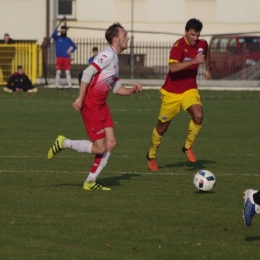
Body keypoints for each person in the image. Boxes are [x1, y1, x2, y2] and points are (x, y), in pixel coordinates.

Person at [47, 22, 143, 191]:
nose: (128, 37)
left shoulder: (115, 59)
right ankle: (64, 142)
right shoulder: (107, 55)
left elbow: (116, 89)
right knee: (100, 147)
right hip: (91, 105)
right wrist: (80, 98)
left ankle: (90, 181)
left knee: (111, 143)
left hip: (101, 105)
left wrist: (132, 90)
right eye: (124, 35)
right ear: (115, 39)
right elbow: (87, 72)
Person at [146, 18, 211, 171]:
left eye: (197, 35)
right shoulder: (178, 46)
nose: (195, 38)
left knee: (198, 115)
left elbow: (207, 52)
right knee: (162, 127)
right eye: (192, 34)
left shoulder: (202, 43)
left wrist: (208, 68)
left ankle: (187, 147)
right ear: (186, 32)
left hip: (189, 89)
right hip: (171, 93)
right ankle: (151, 156)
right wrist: (193, 61)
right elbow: (173, 68)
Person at [52, 26, 77, 90]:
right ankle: (56, 86)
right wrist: (59, 30)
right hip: (59, 57)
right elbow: (53, 35)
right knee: (58, 72)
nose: (63, 31)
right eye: (62, 30)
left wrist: (70, 51)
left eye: (64, 30)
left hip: (66, 58)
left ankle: (70, 86)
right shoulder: (57, 38)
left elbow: (74, 46)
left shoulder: (68, 39)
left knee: (67, 72)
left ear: (66, 31)